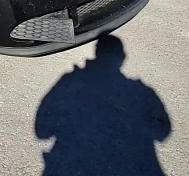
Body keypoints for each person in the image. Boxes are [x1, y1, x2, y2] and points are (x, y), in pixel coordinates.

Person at [35, 35, 171, 175]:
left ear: (96, 54)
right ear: (122, 58)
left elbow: (41, 131)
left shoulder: (70, 82)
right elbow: (163, 132)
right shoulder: (142, 92)